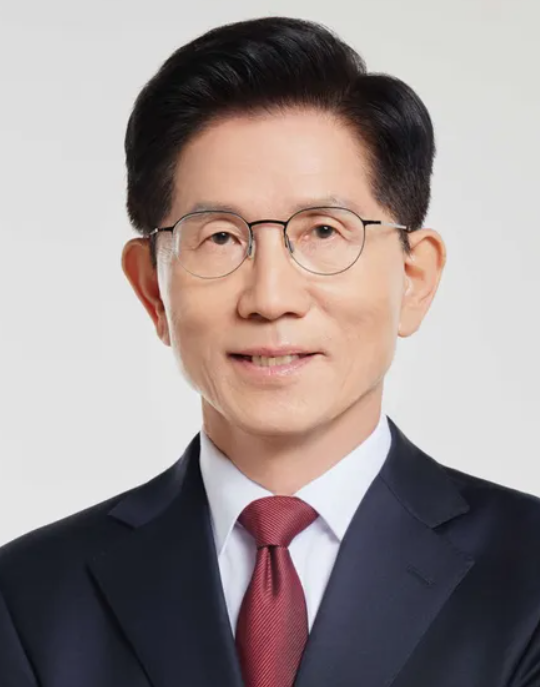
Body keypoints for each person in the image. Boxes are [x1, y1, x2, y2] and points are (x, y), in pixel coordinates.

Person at [1, 15, 539, 687]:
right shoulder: (28, 600)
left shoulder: (527, 578)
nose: (270, 296)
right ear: (152, 290)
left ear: (414, 277)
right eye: (220, 237)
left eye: (323, 231)